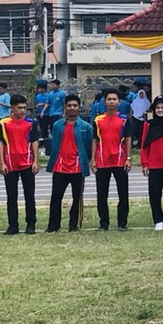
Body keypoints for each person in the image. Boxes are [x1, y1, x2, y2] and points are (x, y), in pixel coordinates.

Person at [46, 95, 94, 233]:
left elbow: (89, 146)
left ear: (79, 107)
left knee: (77, 198)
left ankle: (74, 225)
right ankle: (53, 226)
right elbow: (55, 144)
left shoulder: (86, 127)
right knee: (56, 197)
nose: (72, 108)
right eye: (69, 105)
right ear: (65, 107)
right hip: (60, 167)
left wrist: (87, 160)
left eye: (75, 105)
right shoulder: (57, 125)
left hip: (78, 168)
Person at [0, 94, 40, 234]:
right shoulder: (3, 123)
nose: (22, 111)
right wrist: (2, 162)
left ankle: (31, 224)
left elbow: (34, 142)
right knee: (11, 196)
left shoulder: (31, 123)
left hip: (27, 163)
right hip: (10, 164)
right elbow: (0, 143)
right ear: (12, 108)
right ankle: (13, 225)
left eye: (24, 108)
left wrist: (35, 161)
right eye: (19, 108)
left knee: (29, 195)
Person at [136, 97, 163, 230]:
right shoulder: (148, 125)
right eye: (157, 108)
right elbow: (144, 146)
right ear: (154, 110)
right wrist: (144, 164)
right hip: (153, 165)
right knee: (154, 195)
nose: (160, 110)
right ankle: (158, 220)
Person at [92, 89, 132, 231]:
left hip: (120, 160)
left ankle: (122, 223)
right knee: (102, 194)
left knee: (123, 193)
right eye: (109, 99)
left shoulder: (124, 119)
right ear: (104, 102)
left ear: (119, 102)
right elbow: (95, 140)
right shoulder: (97, 120)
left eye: (114, 99)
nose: (112, 102)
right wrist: (93, 160)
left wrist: (128, 158)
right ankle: (104, 223)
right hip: (102, 161)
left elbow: (128, 139)